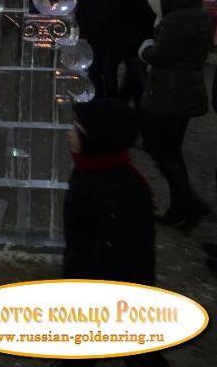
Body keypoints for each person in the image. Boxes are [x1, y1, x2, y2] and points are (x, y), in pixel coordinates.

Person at [63, 98, 169, 366]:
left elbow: (122, 250)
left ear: (99, 138)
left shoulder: (116, 189)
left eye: (77, 128)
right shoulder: (91, 170)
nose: (69, 132)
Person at [139, 0, 212, 229]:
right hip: (186, 92)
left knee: (165, 152)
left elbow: (160, 56)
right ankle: (187, 204)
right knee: (169, 151)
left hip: (170, 94)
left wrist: (145, 47)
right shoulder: (198, 15)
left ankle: (185, 206)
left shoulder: (176, 21)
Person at [111, 0, 158, 110]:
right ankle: (140, 118)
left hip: (146, 39)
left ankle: (120, 113)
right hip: (132, 43)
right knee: (141, 83)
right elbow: (120, 17)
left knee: (131, 83)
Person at [74, 0, 117, 98]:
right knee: (94, 73)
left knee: (109, 72)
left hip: (110, 40)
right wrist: (84, 33)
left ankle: (111, 99)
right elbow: (81, 16)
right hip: (92, 40)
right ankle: (97, 99)